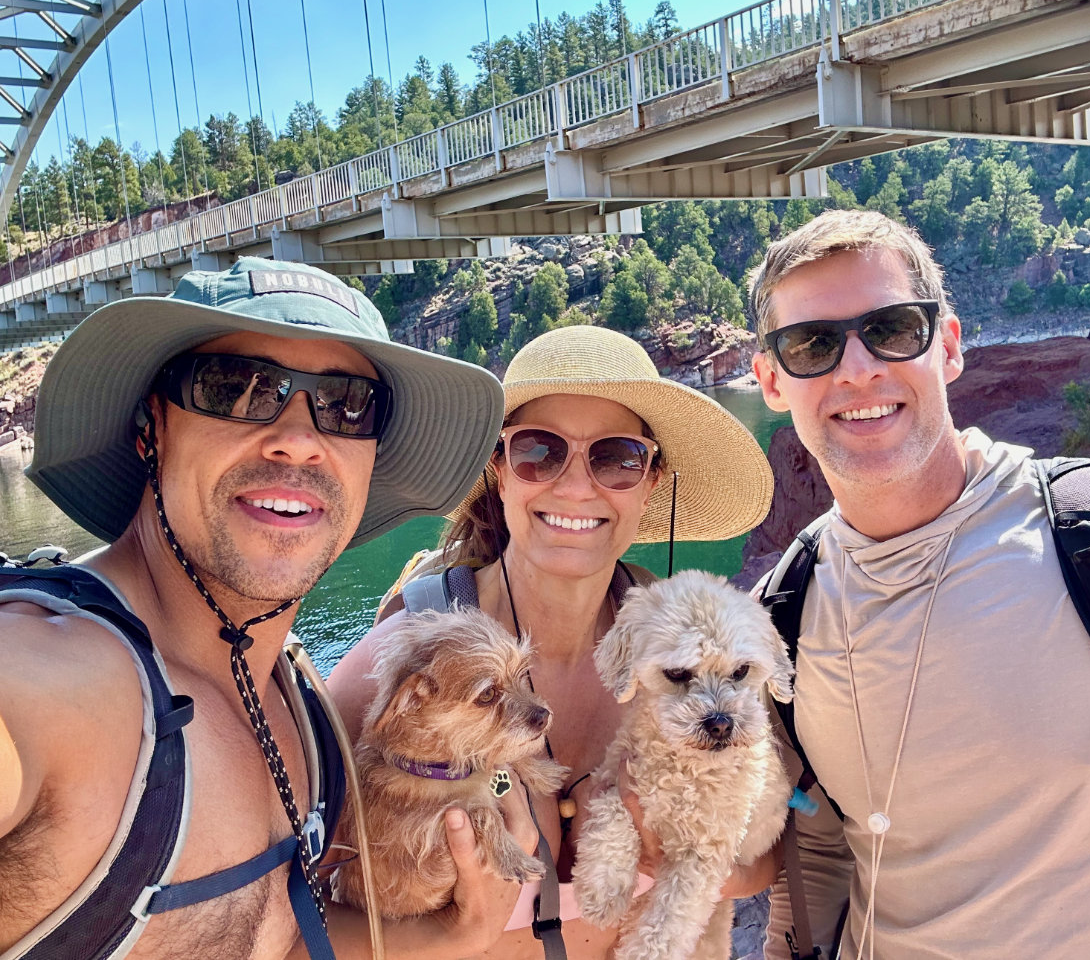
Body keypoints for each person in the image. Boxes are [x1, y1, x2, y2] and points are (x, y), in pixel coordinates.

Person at [0, 256, 534, 960]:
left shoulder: (300, 708)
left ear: (372, 456)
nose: (299, 439)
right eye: (238, 386)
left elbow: (274, 929)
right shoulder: (43, 685)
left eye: (346, 404)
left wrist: (449, 930)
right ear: (153, 426)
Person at [746, 210, 1090, 959]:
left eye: (893, 328)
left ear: (950, 345)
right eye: (812, 344)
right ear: (770, 377)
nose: (857, 368)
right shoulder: (782, 616)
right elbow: (824, 850)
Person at [328, 323, 779, 959]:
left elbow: (761, 861)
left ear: (653, 480)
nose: (574, 486)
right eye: (539, 451)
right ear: (500, 472)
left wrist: (687, 861)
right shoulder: (400, 667)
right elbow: (301, 915)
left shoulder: (690, 655)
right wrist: (449, 933)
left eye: (617, 457)